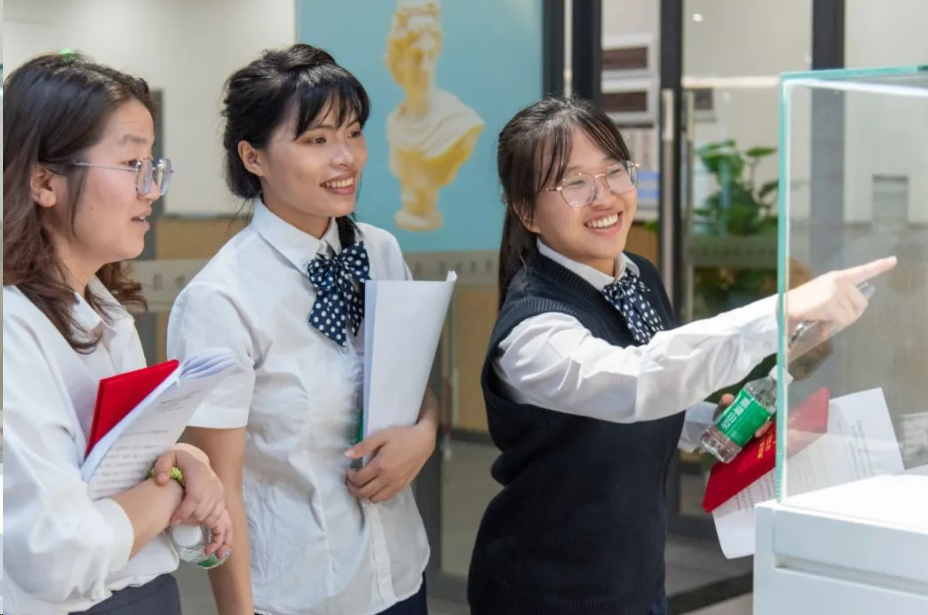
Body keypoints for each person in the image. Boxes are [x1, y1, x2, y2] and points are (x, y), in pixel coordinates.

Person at [467, 96, 896, 615]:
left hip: (638, 576)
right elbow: (635, 382)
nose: (604, 197)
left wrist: (711, 422)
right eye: (574, 183)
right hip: (546, 593)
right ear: (526, 212)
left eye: (614, 171)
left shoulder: (638, 276)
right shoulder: (534, 330)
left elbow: (657, 389)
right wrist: (780, 312)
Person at [167, 44, 437, 615]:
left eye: (354, 133)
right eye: (317, 140)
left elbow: (412, 387)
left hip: (400, 577)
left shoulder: (380, 252)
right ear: (254, 157)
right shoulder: (222, 300)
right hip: (300, 596)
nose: (346, 158)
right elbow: (220, 492)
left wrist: (427, 432)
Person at [2, 52, 233, 615]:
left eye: (153, 166)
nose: (151, 190)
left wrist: (181, 459)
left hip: (147, 592)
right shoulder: (13, 330)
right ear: (44, 181)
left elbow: (113, 474)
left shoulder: (105, 314)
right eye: (131, 164)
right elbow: (58, 554)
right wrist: (171, 490)